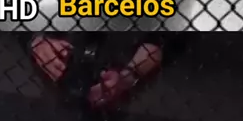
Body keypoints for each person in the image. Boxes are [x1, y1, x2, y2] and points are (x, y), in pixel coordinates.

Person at [28, 32, 181, 110]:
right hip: (53, 89)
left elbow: (161, 42)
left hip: (125, 104)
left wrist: (126, 76)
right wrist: (37, 41)